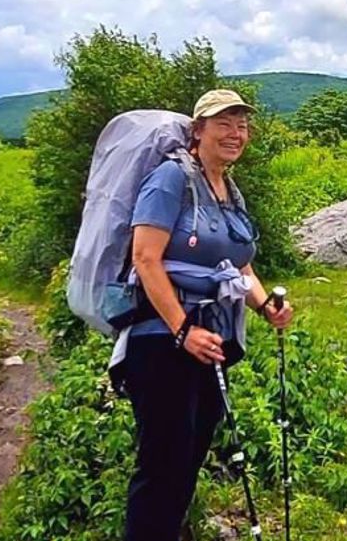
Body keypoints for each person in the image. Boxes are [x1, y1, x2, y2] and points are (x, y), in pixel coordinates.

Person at [115, 89, 294, 541]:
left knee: (189, 456)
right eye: (224, 124)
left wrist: (264, 305)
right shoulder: (170, 180)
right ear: (198, 130)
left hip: (211, 340)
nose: (236, 134)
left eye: (242, 125)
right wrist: (182, 331)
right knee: (162, 464)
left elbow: (239, 265)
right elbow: (146, 258)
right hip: (160, 342)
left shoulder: (227, 188)